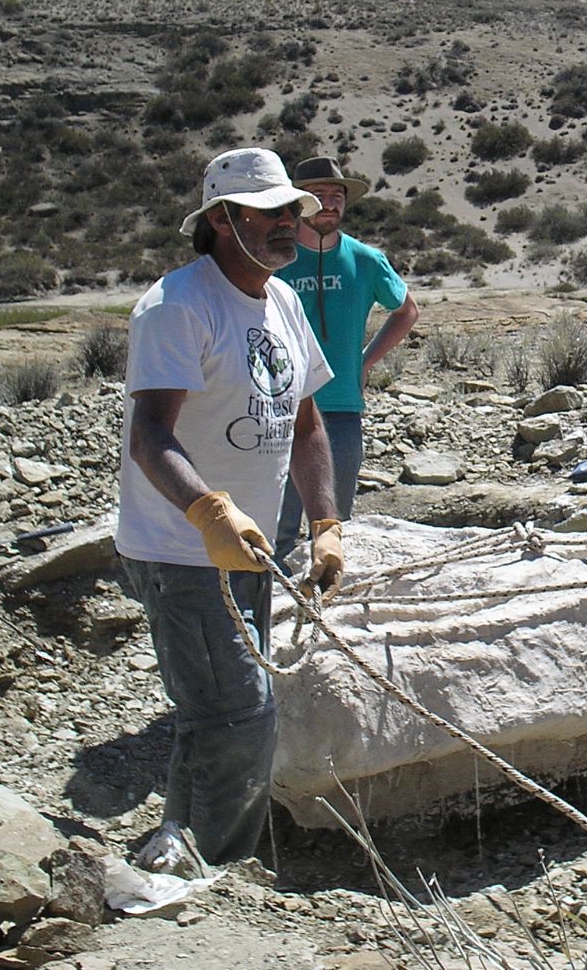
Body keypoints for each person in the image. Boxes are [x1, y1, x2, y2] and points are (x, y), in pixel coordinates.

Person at [116, 146, 345, 867]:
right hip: (181, 551)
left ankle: (176, 845)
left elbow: (308, 425)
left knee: (211, 713)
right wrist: (209, 515)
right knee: (242, 717)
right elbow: (150, 436)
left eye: (291, 212)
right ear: (221, 219)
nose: (288, 224)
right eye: (270, 211)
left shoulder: (281, 301)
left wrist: (326, 525)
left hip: (249, 550)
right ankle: (216, 870)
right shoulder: (176, 307)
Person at [274, 155, 419, 560]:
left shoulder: (366, 260)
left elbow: (405, 310)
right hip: (278, 410)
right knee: (278, 532)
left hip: (340, 408)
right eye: (317, 195)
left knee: (334, 528)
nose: (330, 203)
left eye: (337, 195)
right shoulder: (273, 262)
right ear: (297, 203)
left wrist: (364, 362)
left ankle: (329, 609)